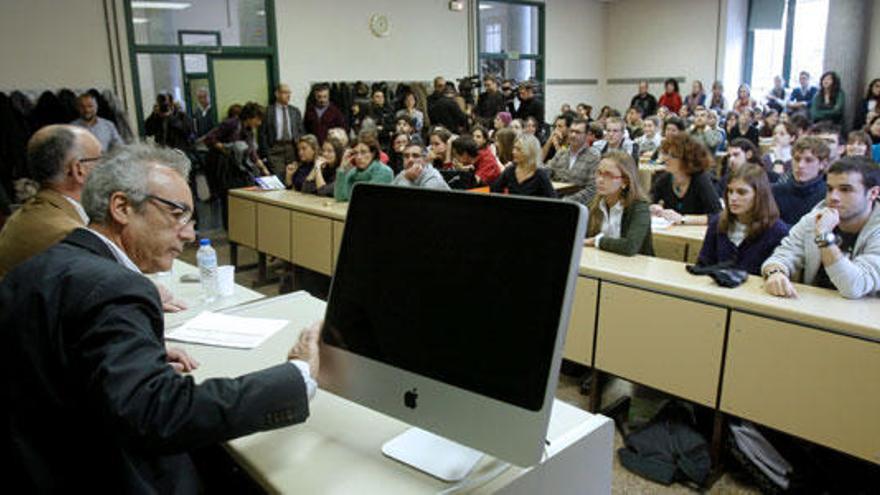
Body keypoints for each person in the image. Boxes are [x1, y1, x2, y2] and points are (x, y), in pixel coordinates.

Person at [1, 143, 320, 492]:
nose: (188, 233)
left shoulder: (46, 266)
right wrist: (298, 375)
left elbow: (48, 358)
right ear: (122, 207)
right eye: (176, 213)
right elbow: (158, 413)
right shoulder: (115, 286)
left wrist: (133, 356)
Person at [762, 157, 880, 299]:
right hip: (814, 310)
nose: (833, 197)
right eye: (830, 189)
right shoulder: (814, 219)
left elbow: (854, 287)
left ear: (873, 193)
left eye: (845, 190)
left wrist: (824, 235)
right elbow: (784, 255)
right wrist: (775, 273)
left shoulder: (822, 227)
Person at [0, 125, 100, 277]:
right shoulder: (69, 235)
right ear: (78, 170)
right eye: (100, 159)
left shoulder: (25, 216)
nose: (105, 167)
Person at [698, 164, 789, 275]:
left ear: (759, 195)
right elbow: (702, 265)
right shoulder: (718, 222)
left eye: (742, 192)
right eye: (730, 191)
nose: (733, 198)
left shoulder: (777, 231)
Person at [583, 151, 653, 255]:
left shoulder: (639, 207)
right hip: (601, 262)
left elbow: (630, 246)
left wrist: (596, 241)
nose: (600, 180)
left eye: (608, 175)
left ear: (625, 182)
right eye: (599, 173)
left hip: (635, 267)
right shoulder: (594, 204)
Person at [651, 133, 722, 225]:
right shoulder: (665, 178)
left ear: (687, 160)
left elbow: (718, 215)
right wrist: (652, 207)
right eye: (666, 153)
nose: (666, 159)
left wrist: (683, 219)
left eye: (673, 156)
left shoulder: (701, 180)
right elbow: (649, 199)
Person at [772, 136, 830, 225]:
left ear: (822, 164)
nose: (800, 165)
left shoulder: (828, 196)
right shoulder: (775, 191)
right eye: (797, 159)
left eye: (808, 160)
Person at [545, 118, 600, 197]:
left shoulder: (593, 157)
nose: (573, 135)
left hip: (576, 203)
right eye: (571, 131)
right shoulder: (561, 153)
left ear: (587, 135)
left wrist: (568, 202)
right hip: (555, 197)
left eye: (577, 132)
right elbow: (547, 171)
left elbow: (592, 188)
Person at [490, 133, 556, 198]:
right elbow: (494, 189)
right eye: (514, 148)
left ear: (530, 152)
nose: (513, 152)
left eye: (518, 149)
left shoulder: (540, 174)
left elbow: (553, 200)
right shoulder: (510, 171)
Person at [261, 83, 305, 176]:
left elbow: (301, 130)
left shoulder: (295, 111)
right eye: (285, 92)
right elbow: (262, 133)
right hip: (275, 148)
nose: (288, 95)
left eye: (289, 93)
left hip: (292, 147)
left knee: (293, 174)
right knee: (279, 175)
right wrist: (266, 151)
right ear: (277, 94)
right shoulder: (268, 111)